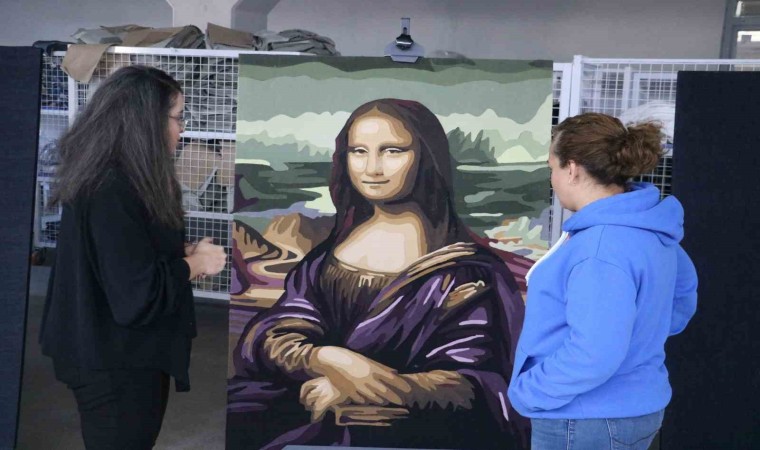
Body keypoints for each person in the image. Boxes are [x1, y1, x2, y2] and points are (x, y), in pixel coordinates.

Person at [228, 98, 530, 449]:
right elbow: (277, 331)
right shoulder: (329, 255)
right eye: (358, 151)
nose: (372, 168)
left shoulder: (467, 273)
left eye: (392, 151)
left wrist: (363, 388)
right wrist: (328, 359)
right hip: (306, 407)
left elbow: (474, 385)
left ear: (426, 157)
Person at [40, 65, 227, 449]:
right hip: (113, 360)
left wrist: (178, 253)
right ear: (147, 122)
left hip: (111, 349)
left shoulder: (112, 175)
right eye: (177, 118)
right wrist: (196, 264)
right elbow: (136, 295)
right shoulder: (113, 187)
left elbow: (118, 257)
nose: (182, 130)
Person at [508, 113, 698, 449]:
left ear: (572, 169)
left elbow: (593, 354)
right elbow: (681, 300)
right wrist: (637, 342)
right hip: (635, 407)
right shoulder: (650, 227)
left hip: (585, 418)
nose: (552, 178)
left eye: (552, 167)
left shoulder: (598, 248)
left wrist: (529, 392)